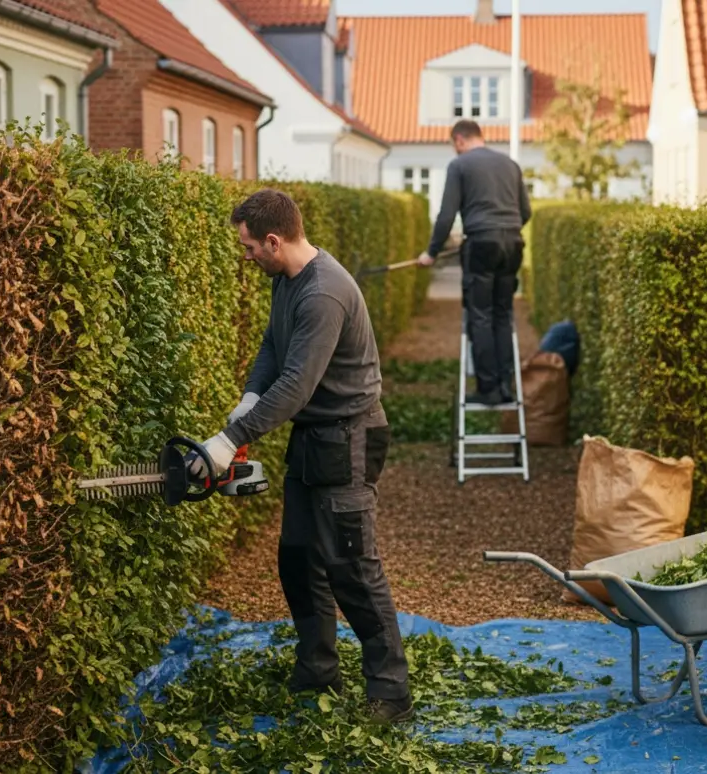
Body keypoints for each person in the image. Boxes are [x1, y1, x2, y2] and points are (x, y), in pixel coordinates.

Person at [190, 188, 413, 725]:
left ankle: (392, 693)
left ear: (273, 240)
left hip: (349, 438)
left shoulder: (323, 293)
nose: (245, 257)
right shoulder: (286, 281)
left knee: (353, 568)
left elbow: (296, 385)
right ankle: (318, 668)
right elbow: (272, 347)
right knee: (298, 558)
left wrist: (228, 441)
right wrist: (247, 399)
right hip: (314, 438)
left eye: (248, 248)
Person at [417, 119, 532, 405]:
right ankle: (505, 386)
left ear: (459, 140)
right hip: (513, 243)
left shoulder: (460, 166)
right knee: (503, 314)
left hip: (481, 244)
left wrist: (431, 252)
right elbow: (525, 211)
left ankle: (489, 389)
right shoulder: (510, 165)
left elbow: (446, 215)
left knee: (480, 315)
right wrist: (506, 228)